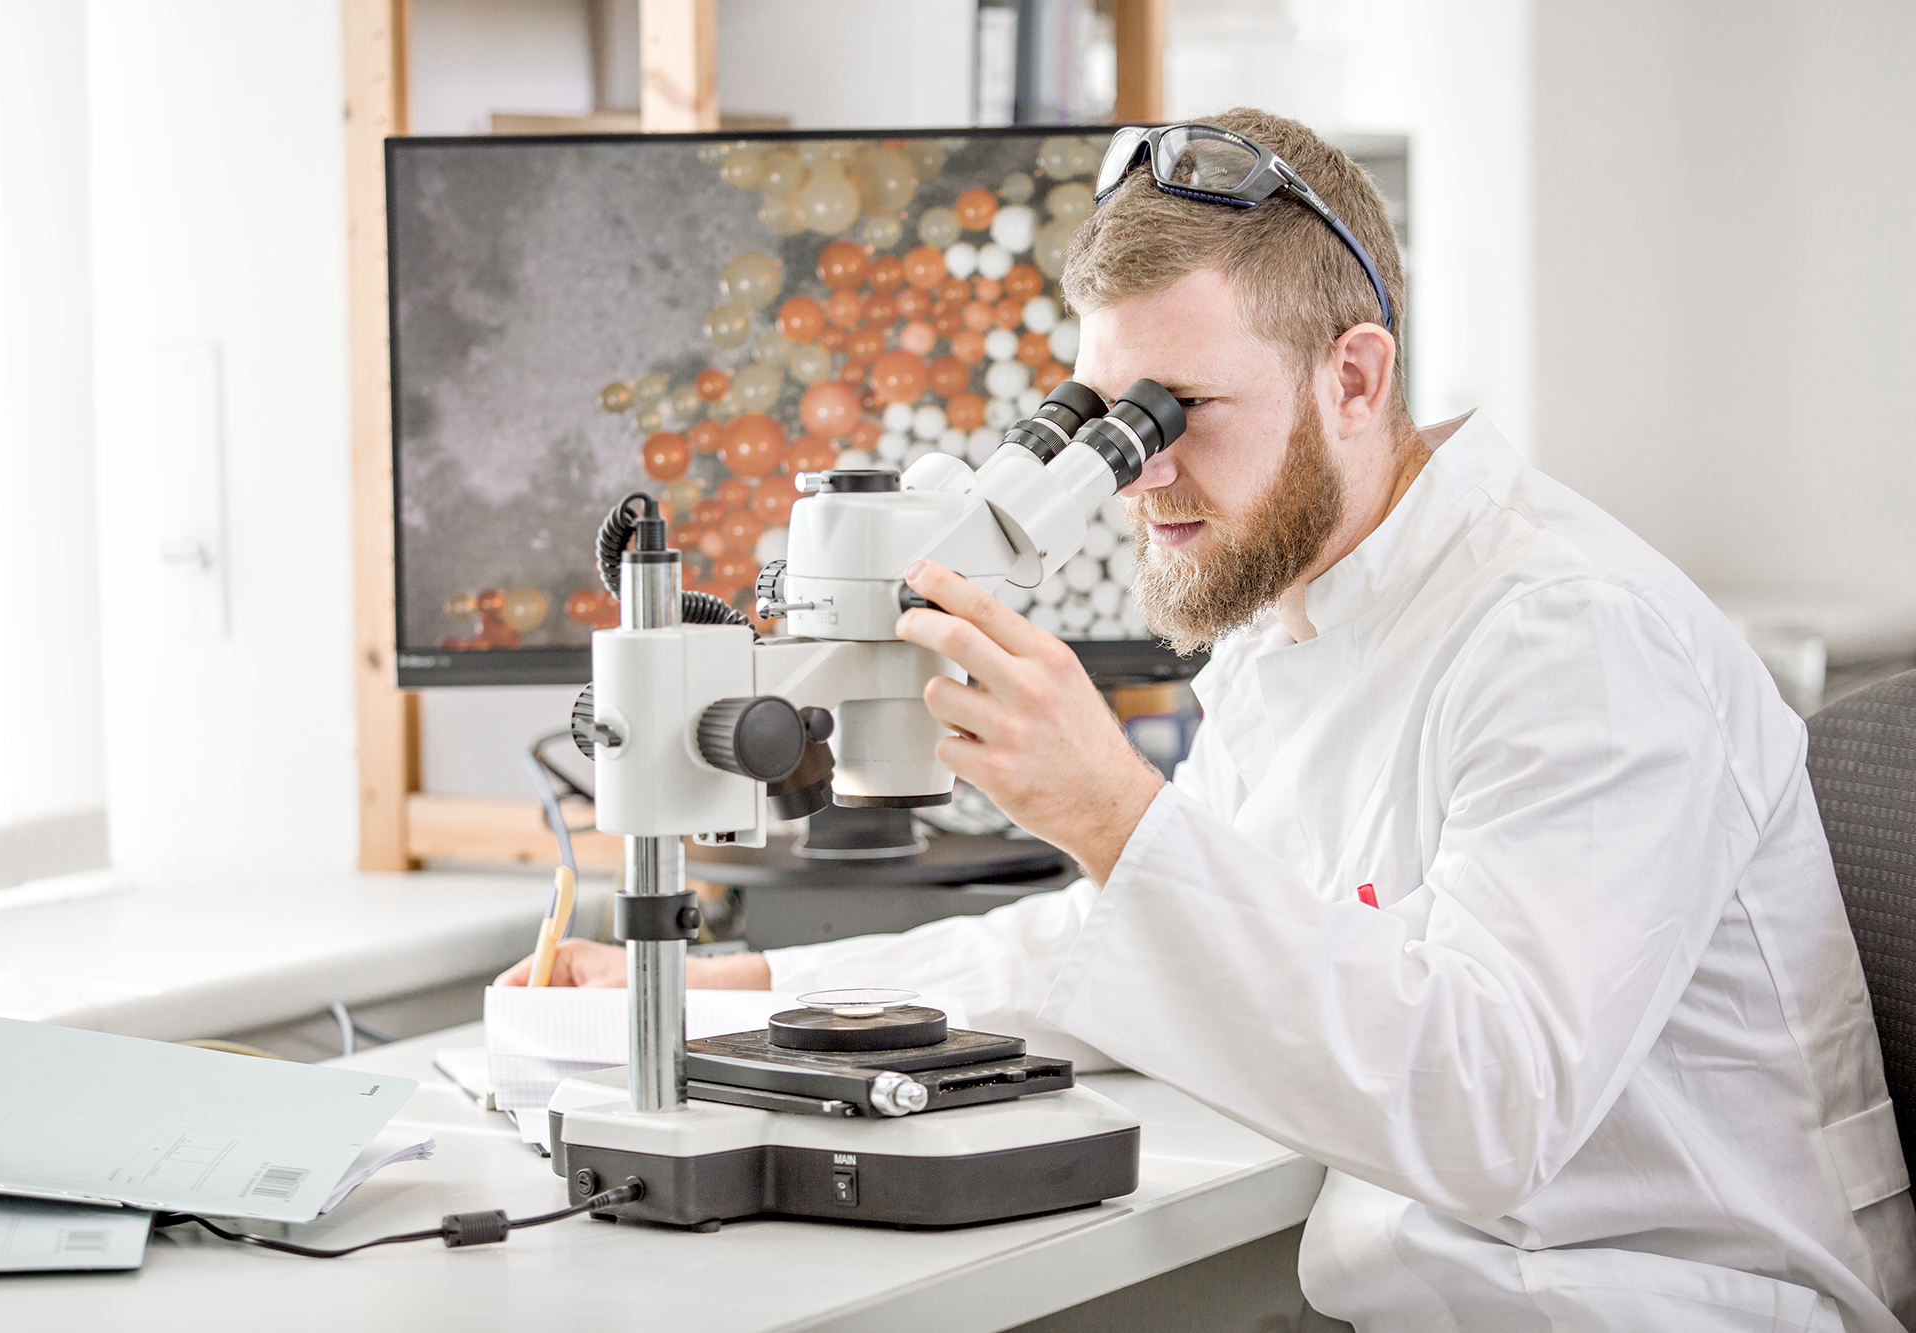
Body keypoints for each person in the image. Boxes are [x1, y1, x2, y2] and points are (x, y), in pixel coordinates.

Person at [501, 108, 1915, 1331]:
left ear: (1354, 378)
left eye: (1181, 411)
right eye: (1108, 418)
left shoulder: (1578, 638)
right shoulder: (1297, 612)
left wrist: (1118, 811)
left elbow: (1490, 1114)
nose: (1137, 475)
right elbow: (1123, 937)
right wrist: (759, 996)